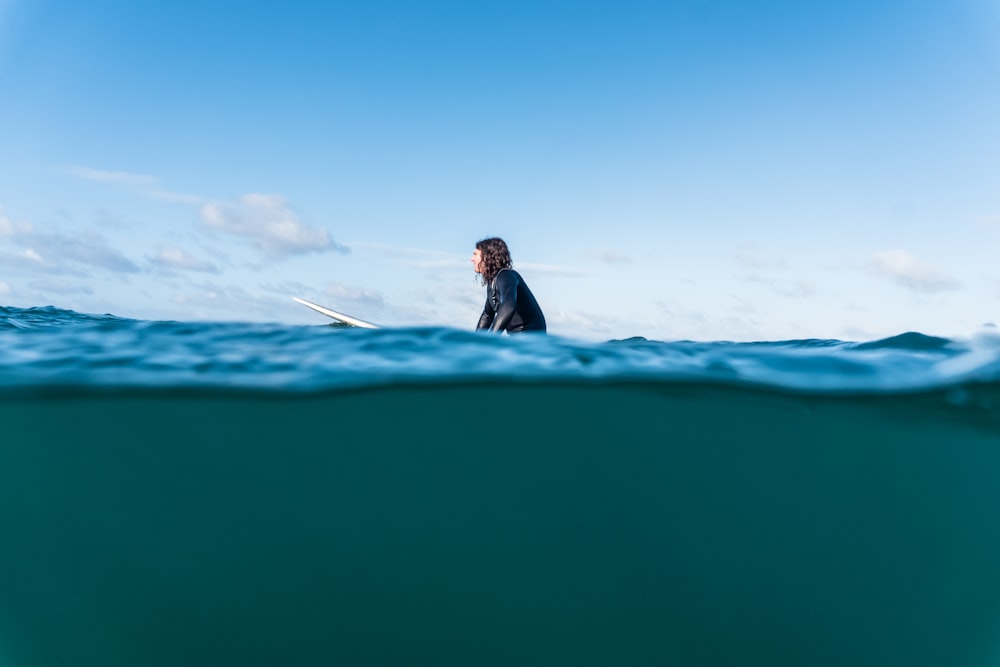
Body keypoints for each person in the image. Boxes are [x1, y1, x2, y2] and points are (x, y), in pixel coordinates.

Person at [471, 237, 547, 334]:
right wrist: (475, 341)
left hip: (532, 337)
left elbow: (508, 307)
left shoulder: (506, 276)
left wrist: (491, 338)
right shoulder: (492, 282)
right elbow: (487, 315)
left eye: (475, 254)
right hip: (517, 337)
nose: (472, 259)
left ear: (487, 256)